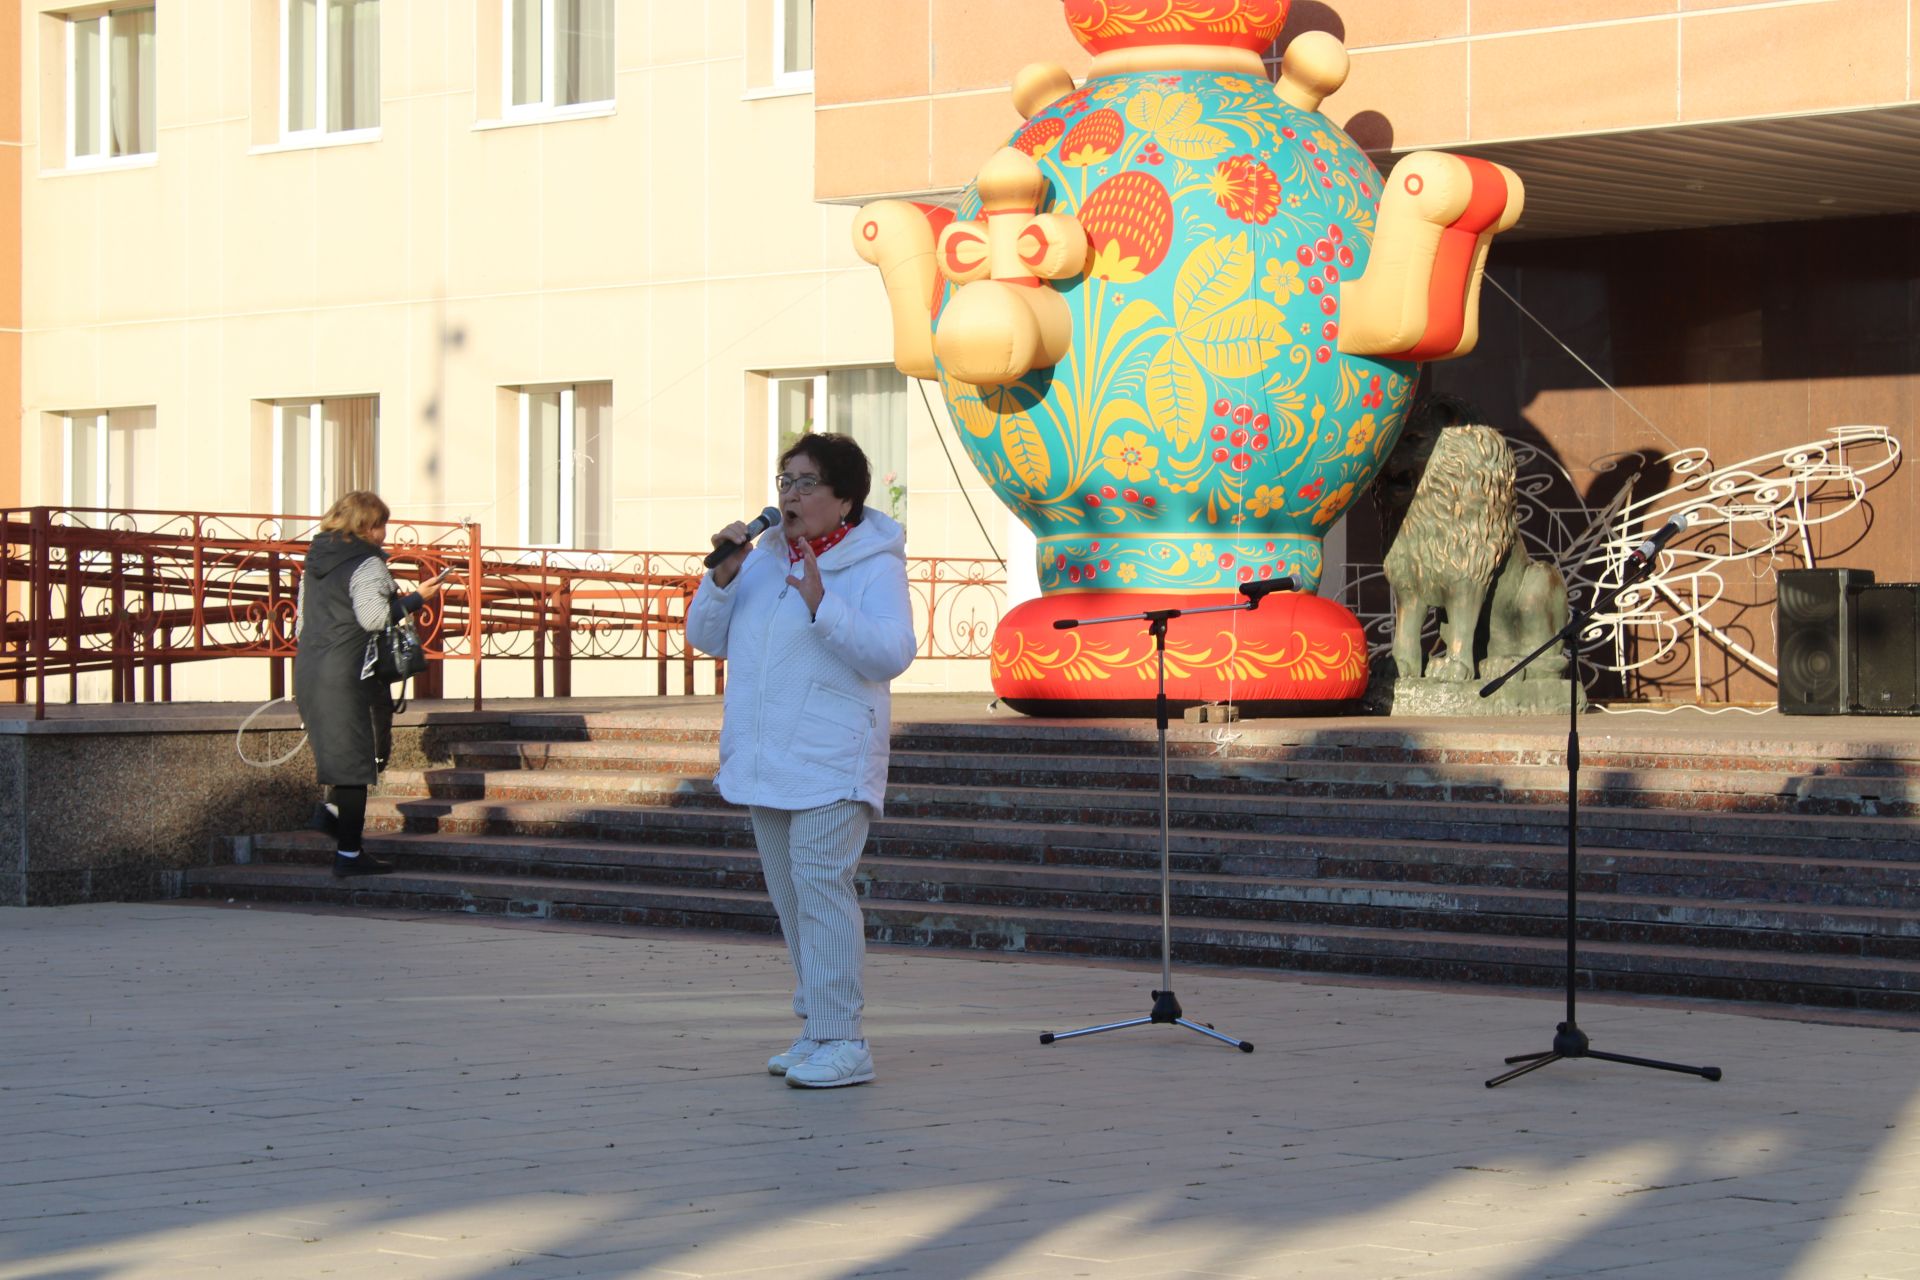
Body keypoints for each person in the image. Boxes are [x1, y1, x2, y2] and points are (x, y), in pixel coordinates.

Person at [685, 433, 915, 1089]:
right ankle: (817, 1026)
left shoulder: (872, 562)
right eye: (785, 479)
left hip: (830, 759)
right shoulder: (759, 559)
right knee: (792, 904)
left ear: (844, 498)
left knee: (823, 895)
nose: (791, 493)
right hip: (765, 758)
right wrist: (721, 580)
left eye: (807, 482)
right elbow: (706, 637)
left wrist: (822, 602)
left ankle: (846, 1040)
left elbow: (892, 651)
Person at [293, 491, 450, 878]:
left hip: (310, 668)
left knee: (341, 758)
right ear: (366, 525)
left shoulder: (314, 560)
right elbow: (374, 618)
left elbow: (300, 623)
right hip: (346, 673)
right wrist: (417, 598)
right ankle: (348, 854)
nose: (385, 533)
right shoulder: (366, 563)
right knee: (354, 766)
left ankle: (332, 819)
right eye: (381, 524)